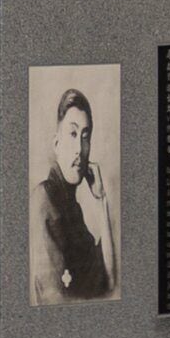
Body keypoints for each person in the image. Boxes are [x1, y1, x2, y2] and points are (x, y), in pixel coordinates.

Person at [35, 88, 116, 301]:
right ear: (56, 144)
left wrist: (101, 200)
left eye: (85, 136)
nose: (80, 148)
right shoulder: (45, 198)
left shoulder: (71, 207)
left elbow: (109, 281)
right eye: (72, 134)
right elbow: (54, 300)